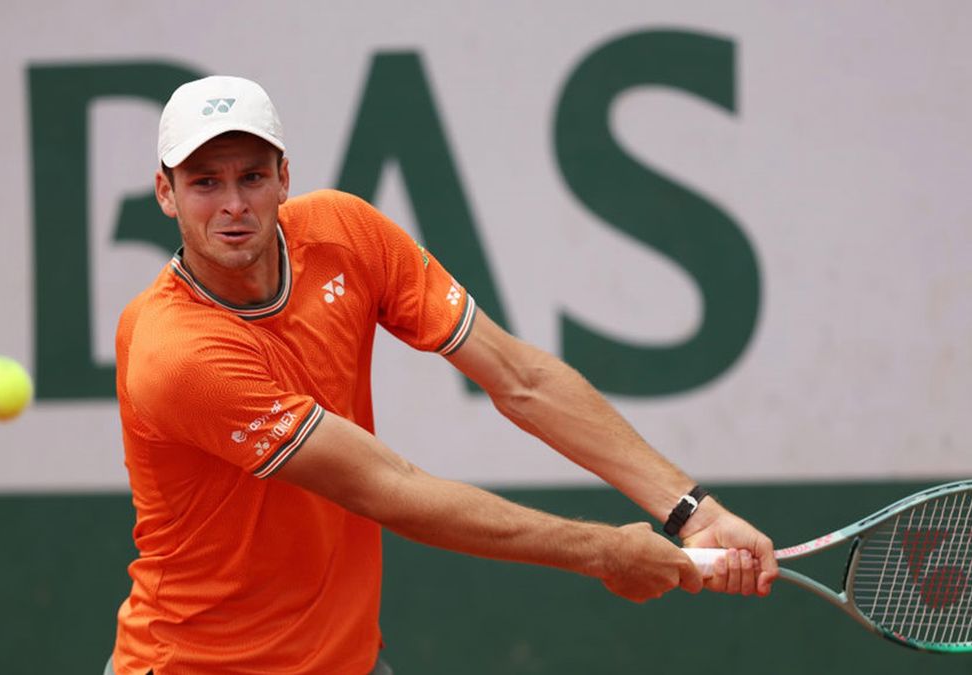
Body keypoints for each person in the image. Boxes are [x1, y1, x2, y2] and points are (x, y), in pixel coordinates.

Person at [107, 75, 777, 675]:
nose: (232, 204)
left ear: (284, 177)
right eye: (204, 182)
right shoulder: (179, 354)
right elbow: (389, 489)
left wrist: (694, 510)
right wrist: (603, 551)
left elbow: (522, 379)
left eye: (251, 177)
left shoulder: (345, 233)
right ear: (165, 192)